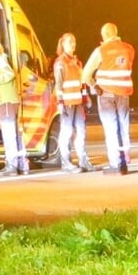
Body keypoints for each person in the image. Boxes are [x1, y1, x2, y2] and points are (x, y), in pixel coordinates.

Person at [80, 22, 135, 175]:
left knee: (111, 128)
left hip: (106, 93)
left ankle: (115, 164)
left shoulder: (101, 50)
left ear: (104, 35)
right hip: (123, 93)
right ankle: (124, 161)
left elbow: (85, 74)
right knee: (123, 126)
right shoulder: (129, 49)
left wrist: (93, 84)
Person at [52, 32, 91, 172]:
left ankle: (83, 161)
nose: (73, 44)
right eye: (70, 42)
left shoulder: (77, 62)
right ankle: (66, 162)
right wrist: (60, 102)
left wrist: (86, 98)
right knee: (66, 132)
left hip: (78, 103)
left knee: (81, 131)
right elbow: (58, 84)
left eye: (74, 41)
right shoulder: (60, 62)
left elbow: (82, 83)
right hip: (67, 103)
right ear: (63, 44)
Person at [0, 40, 28, 176]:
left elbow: (9, 74)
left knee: (8, 134)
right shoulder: (4, 58)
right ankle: (22, 165)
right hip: (11, 100)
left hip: (6, 101)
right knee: (15, 134)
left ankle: (11, 166)